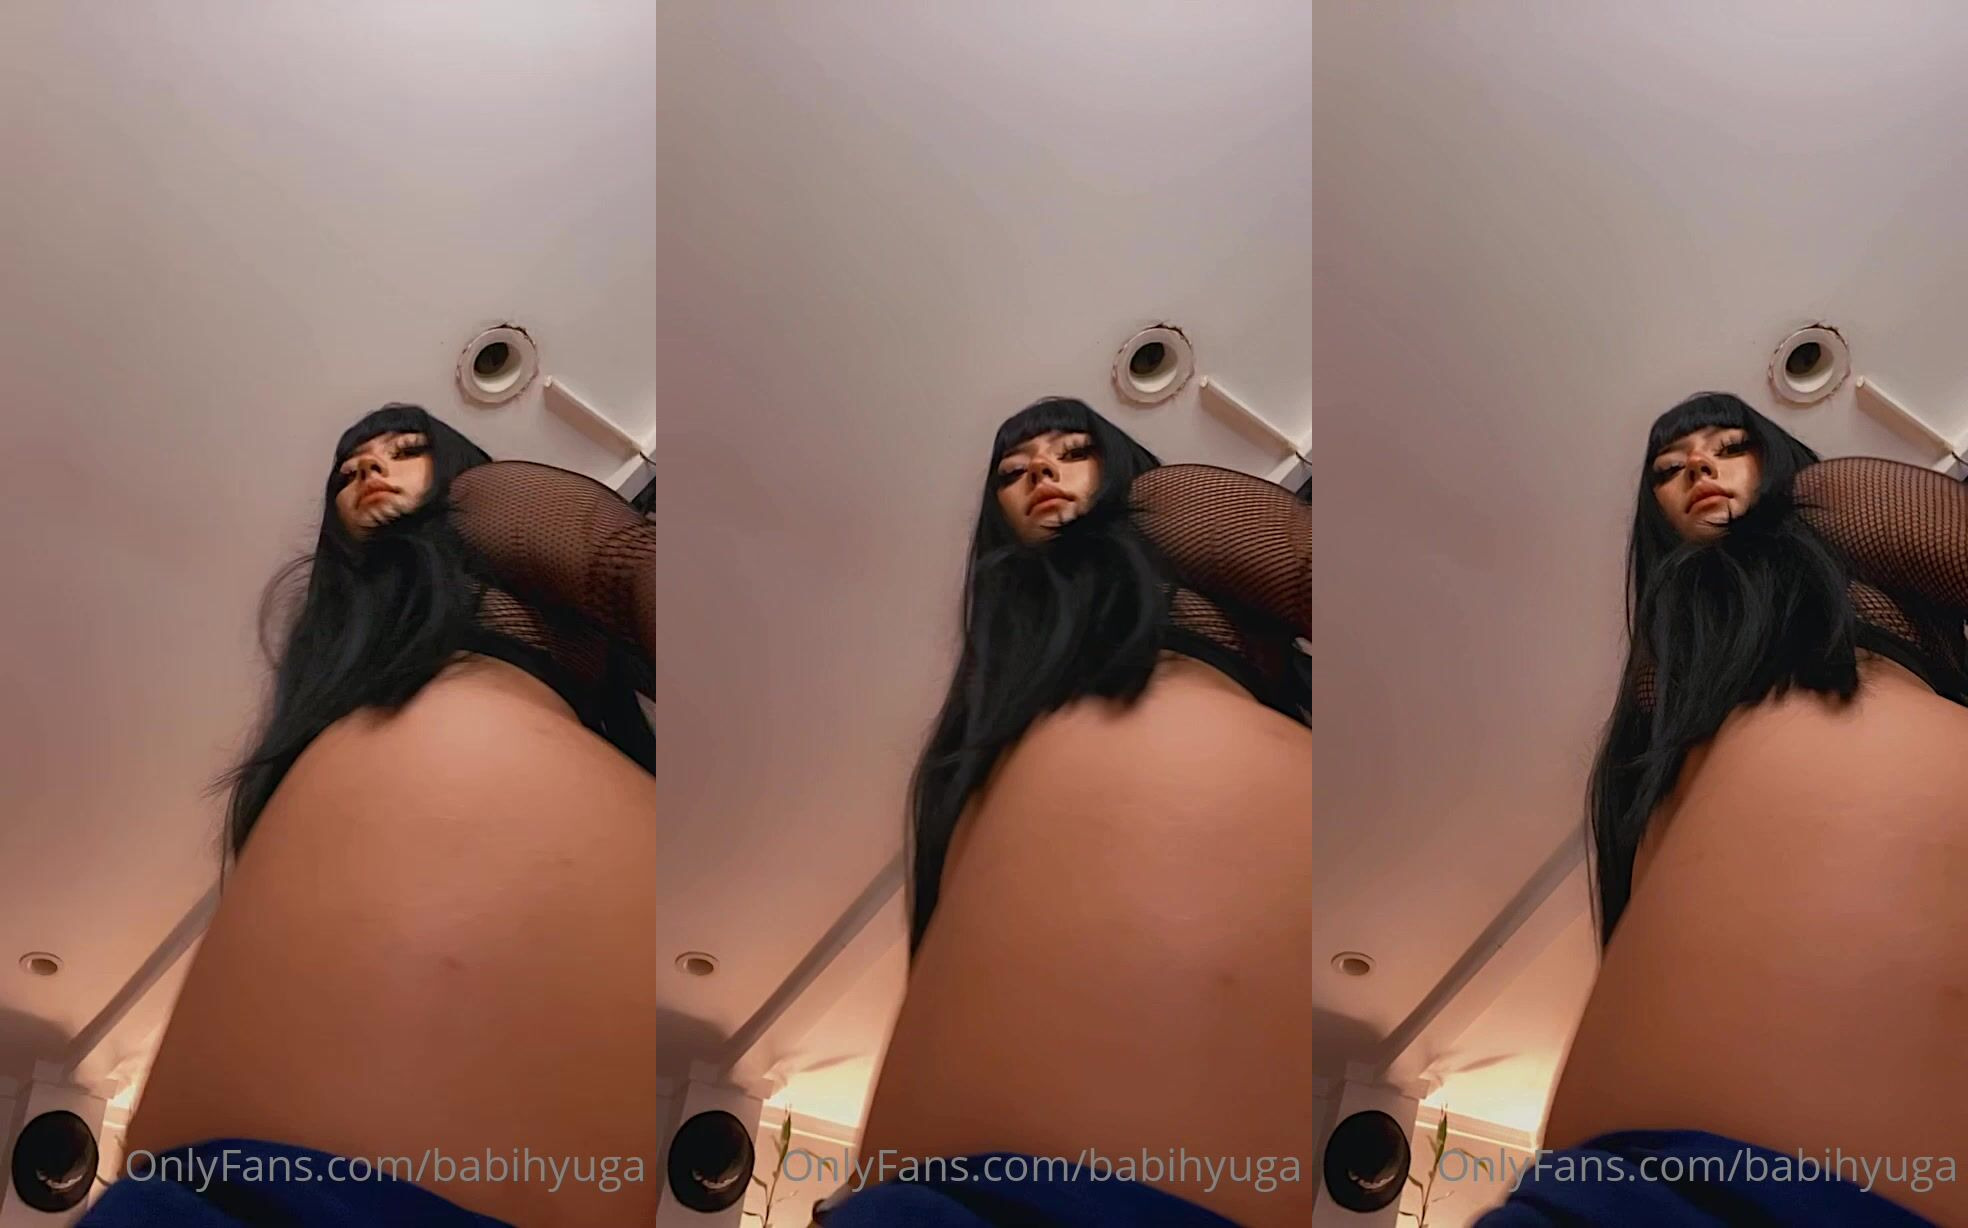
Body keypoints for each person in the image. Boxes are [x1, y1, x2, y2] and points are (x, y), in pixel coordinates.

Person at [84, 404, 658, 1227]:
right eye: (350, 473)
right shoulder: (355, 664)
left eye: (403, 452)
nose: (371, 472)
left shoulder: (490, 507)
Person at [1479, 393, 1967, 1225]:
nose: (1698, 467)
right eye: (1669, 470)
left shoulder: (1835, 513)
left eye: (1729, 445)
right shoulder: (1668, 651)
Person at [826, 398, 1312, 1226]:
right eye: (1012, 473)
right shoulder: (996, 701)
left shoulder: (1166, 511)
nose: (1041, 472)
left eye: (1073, 450)